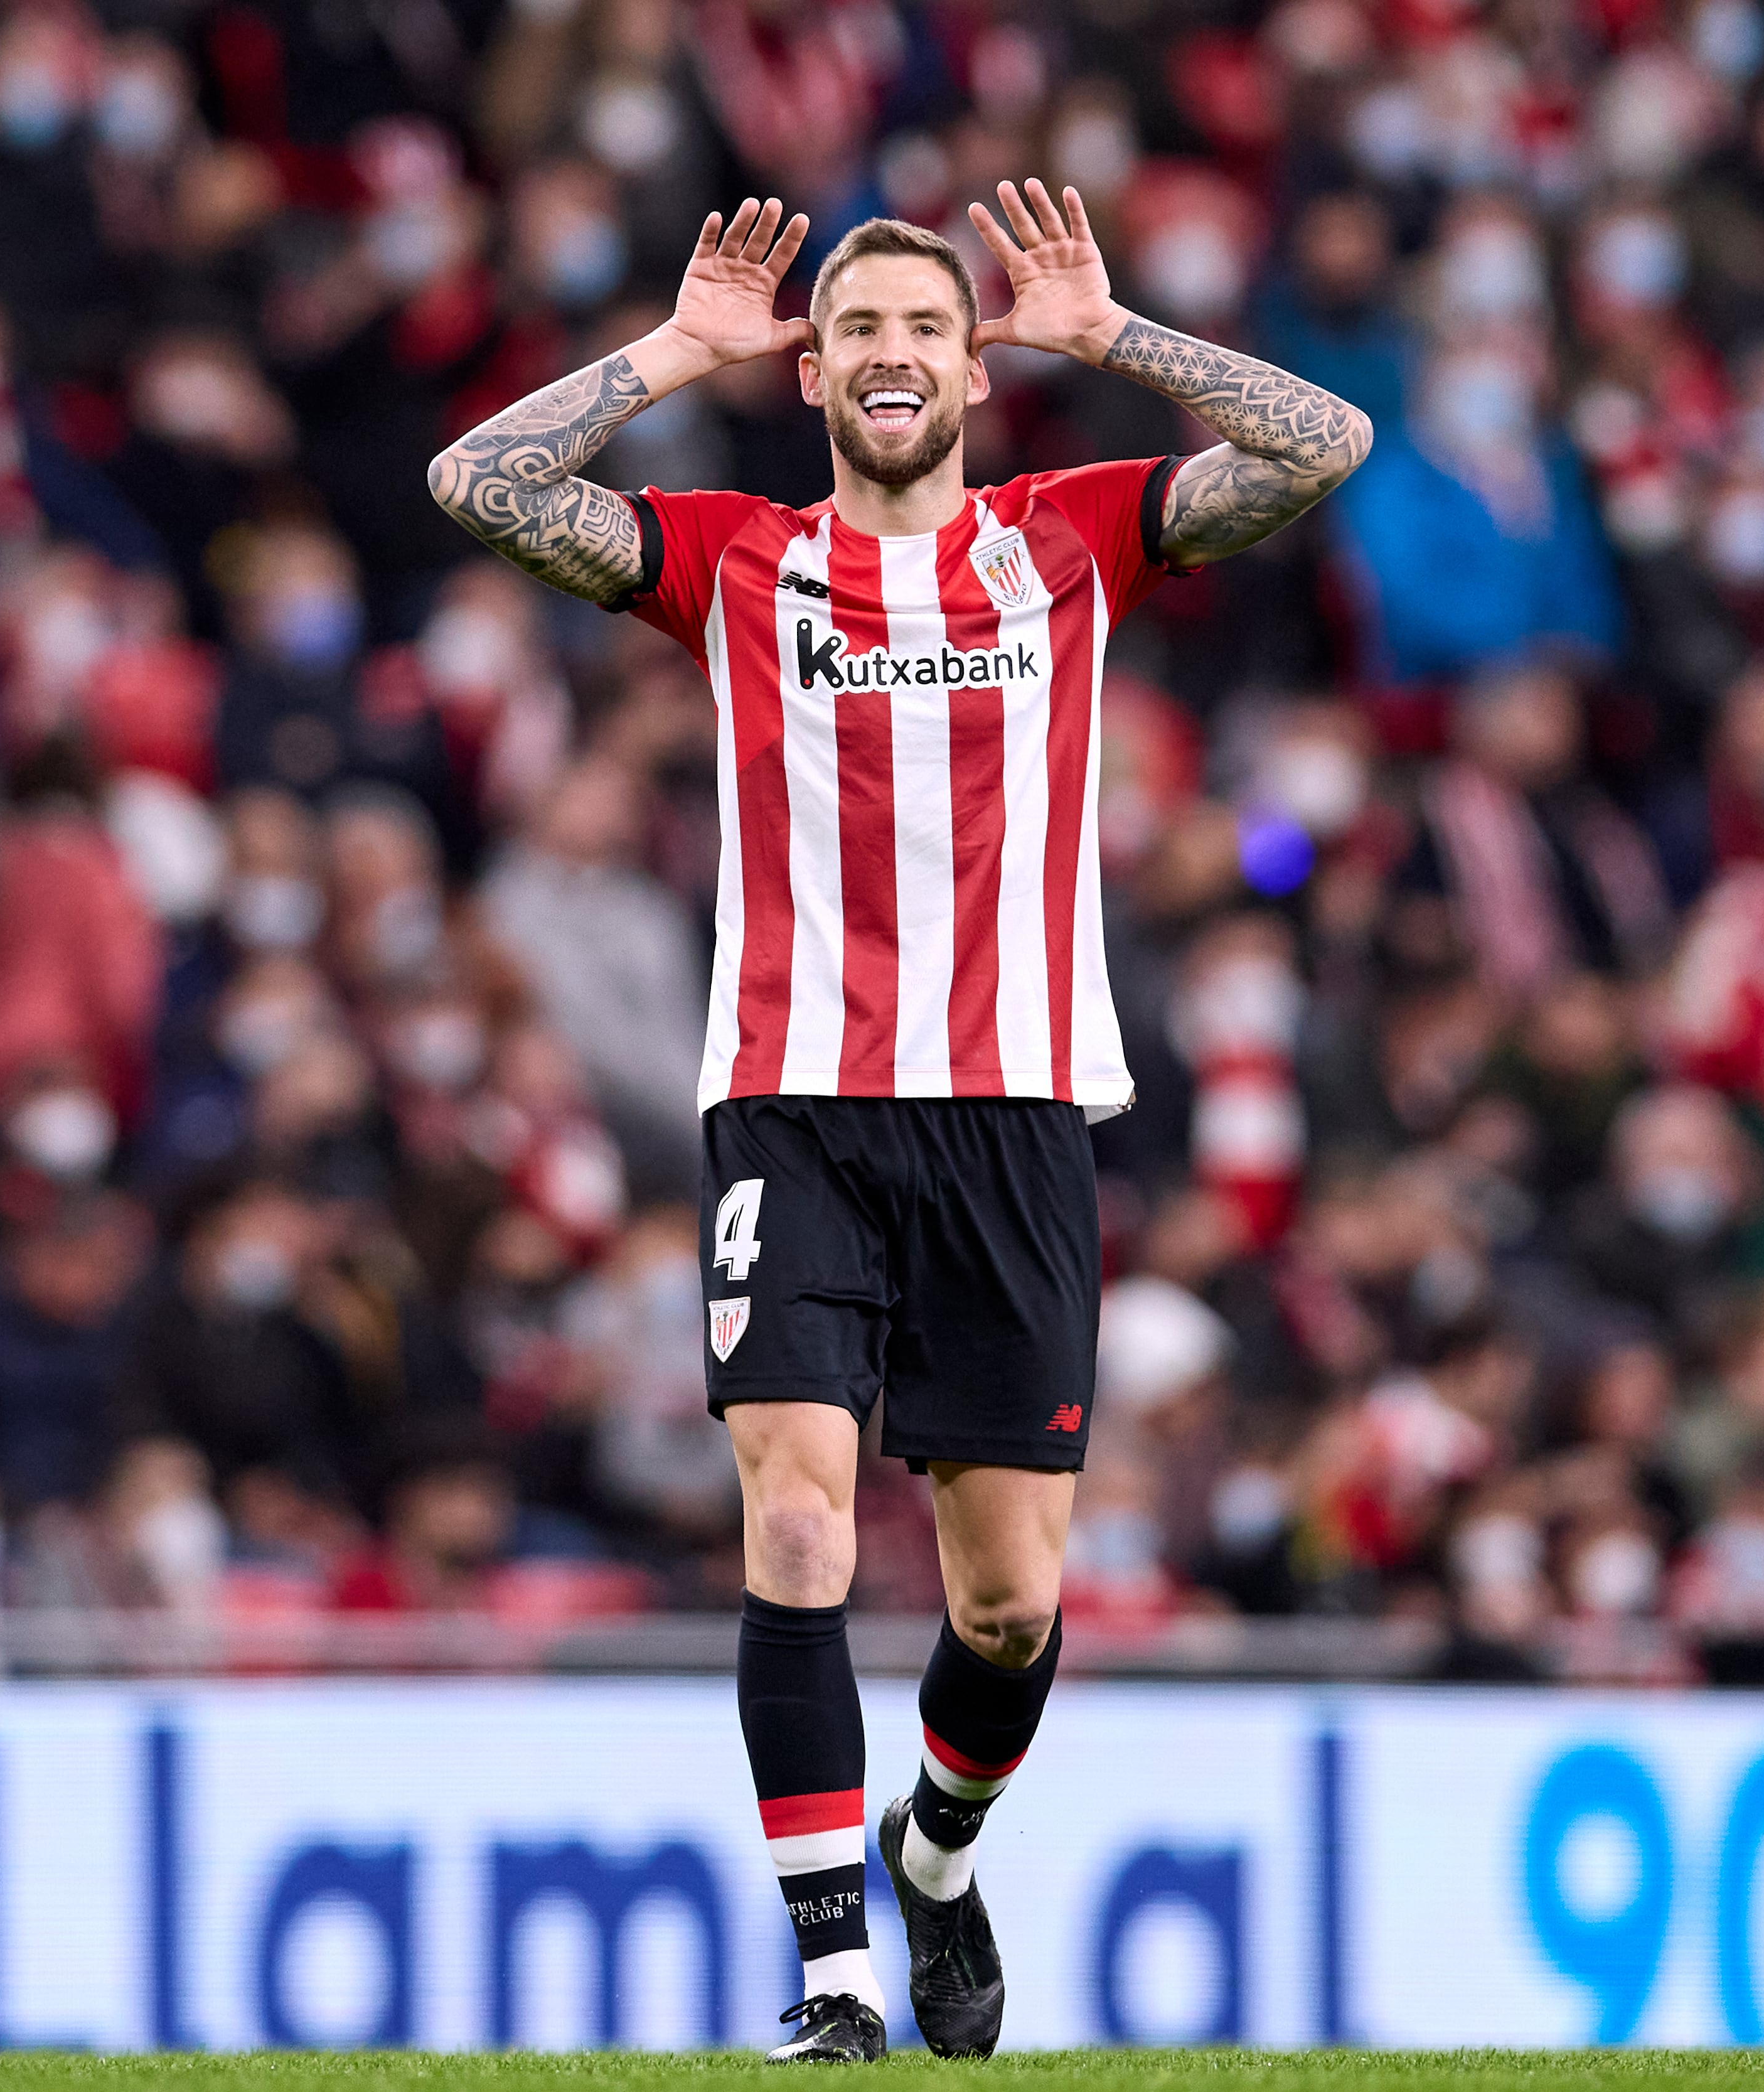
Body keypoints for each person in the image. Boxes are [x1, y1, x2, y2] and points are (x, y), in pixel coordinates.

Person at [427, 188, 1369, 2062]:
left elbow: (1322, 439)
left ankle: (936, 1860)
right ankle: (839, 1977)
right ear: (815, 367)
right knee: (794, 1520)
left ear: (968, 366)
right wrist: (674, 353)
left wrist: (1107, 334)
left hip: (1010, 1113)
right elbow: (475, 481)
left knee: (1010, 1607)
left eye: (925, 329)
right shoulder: (732, 561)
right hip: (792, 1106)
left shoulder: (1069, 540)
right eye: (855, 327)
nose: (889, 355)